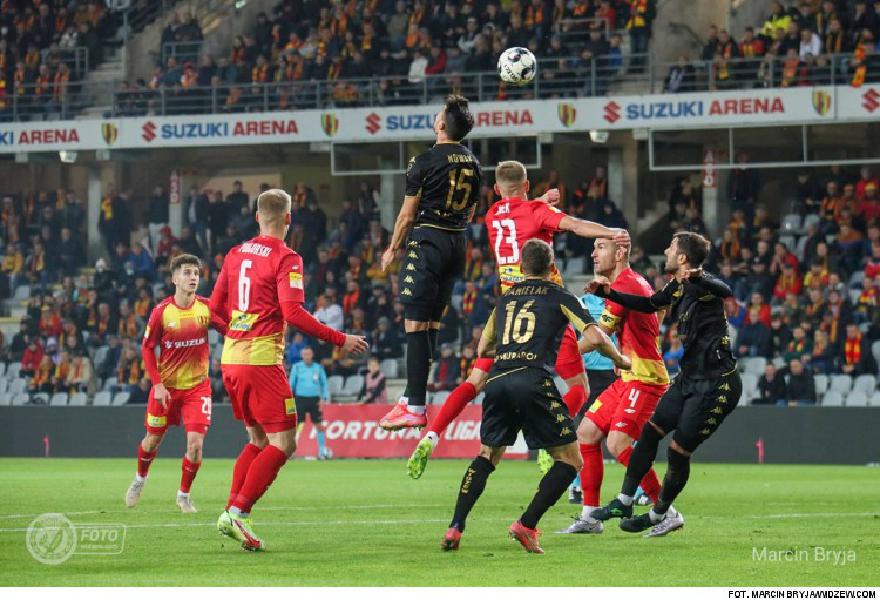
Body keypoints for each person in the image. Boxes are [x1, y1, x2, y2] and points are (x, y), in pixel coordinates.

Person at [406, 160, 630, 479]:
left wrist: (540, 200)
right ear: (526, 185)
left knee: (474, 380)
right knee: (578, 386)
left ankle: (430, 436)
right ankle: (551, 444)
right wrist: (612, 232)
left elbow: (517, 211)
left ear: (497, 191)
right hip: (548, 309)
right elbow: (575, 225)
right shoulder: (537, 212)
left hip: (509, 310)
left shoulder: (492, 215)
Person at [440, 239, 629, 554]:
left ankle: (455, 527)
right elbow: (595, 337)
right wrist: (620, 360)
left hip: (498, 380)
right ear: (552, 266)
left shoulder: (505, 299)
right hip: (532, 380)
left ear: (521, 267)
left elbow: (483, 348)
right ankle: (527, 524)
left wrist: (511, 349)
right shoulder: (560, 296)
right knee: (571, 459)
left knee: (487, 455)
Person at [211, 189, 367, 551]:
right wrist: (340, 339)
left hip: (231, 360)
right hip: (262, 361)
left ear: (257, 217)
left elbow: (215, 308)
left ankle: (232, 514)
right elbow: (293, 313)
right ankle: (237, 512)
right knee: (285, 443)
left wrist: (236, 332)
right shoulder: (286, 257)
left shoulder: (235, 253)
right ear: (289, 219)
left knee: (257, 441)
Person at [587, 231, 742, 536]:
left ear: (682, 257)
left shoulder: (702, 286)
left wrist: (698, 277)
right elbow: (649, 304)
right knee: (649, 433)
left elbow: (724, 289)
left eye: (671, 248)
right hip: (688, 379)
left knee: (677, 452)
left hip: (716, 386)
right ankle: (625, 500)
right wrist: (608, 294)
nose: (666, 251)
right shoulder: (675, 286)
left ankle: (660, 514)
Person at [378, 95, 482, 430]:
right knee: (431, 325)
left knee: (414, 324)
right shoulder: (474, 162)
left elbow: (407, 215)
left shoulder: (423, 160)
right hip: (457, 243)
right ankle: (413, 398)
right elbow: (471, 211)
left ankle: (415, 406)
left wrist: (393, 248)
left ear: (441, 125)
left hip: (428, 242)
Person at [559, 234, 671, 535]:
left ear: (620, 253)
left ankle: (666, 511)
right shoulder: (629, 284)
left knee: (617, 443)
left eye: (601, 247)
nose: (593, 254)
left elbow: (599, 337)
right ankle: (590, 517)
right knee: (586, 433)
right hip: (627, 377)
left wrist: (561, 354)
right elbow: (658, 311)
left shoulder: (626, 286)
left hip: (645, 379)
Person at [124, 254, 228, 513]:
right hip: (167, 388)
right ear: (174, 279)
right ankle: (140, 479)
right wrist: (157, 384)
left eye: (196, 273)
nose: (193, 277)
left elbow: (230, 330)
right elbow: (147, 348)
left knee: (195, 445)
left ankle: (183, 495)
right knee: (152, 441)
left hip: (197, 388)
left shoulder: (206, 308)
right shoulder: (161, 312)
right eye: (187, 272)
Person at [288, 346, 332, 460]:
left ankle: (322, 452)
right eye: (305, 354)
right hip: (300, 399)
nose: (307, 357)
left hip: (315, 400)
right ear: (302, 355)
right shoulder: (297, 367)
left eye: (309, 354)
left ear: (312, 355)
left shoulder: (318, 368)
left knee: (319, 426)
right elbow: (291, 385)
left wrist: (324, 398)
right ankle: (290, 451)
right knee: (295, 426)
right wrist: (289, 401)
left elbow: (324, 384)